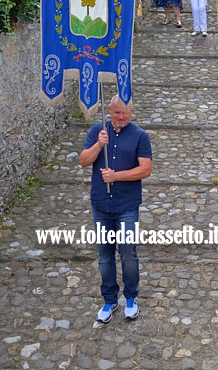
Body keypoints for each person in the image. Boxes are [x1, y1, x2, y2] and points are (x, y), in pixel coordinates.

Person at [80, 95, 152, 323]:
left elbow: (145, 170)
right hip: (100, 204)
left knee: (128, 253)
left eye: (125, 112)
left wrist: (116, 176)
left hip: (127, 205)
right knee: (104, 255)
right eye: (116, 112)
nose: (121, 117)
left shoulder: (140, 136)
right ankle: (110, 301)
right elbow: (83, 160)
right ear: (109, 111)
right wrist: (99, 144)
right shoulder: (97, 132)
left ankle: (131, 298)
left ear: (131, 112)